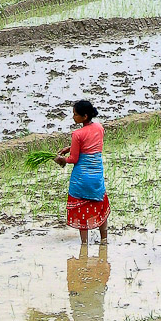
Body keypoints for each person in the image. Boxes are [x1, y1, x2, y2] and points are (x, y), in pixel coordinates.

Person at [54, 100, 109, 245]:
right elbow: (90, 147)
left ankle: (84, 243)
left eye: (75, 115)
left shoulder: (77, 134)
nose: (73, 117)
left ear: (85, 116)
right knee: (100, 207)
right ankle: (104, 239)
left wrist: (62, 159)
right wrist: (70, 147)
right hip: (96, 175)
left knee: (81, 210)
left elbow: (73, 159)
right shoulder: (99, 127)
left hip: (81, 178)